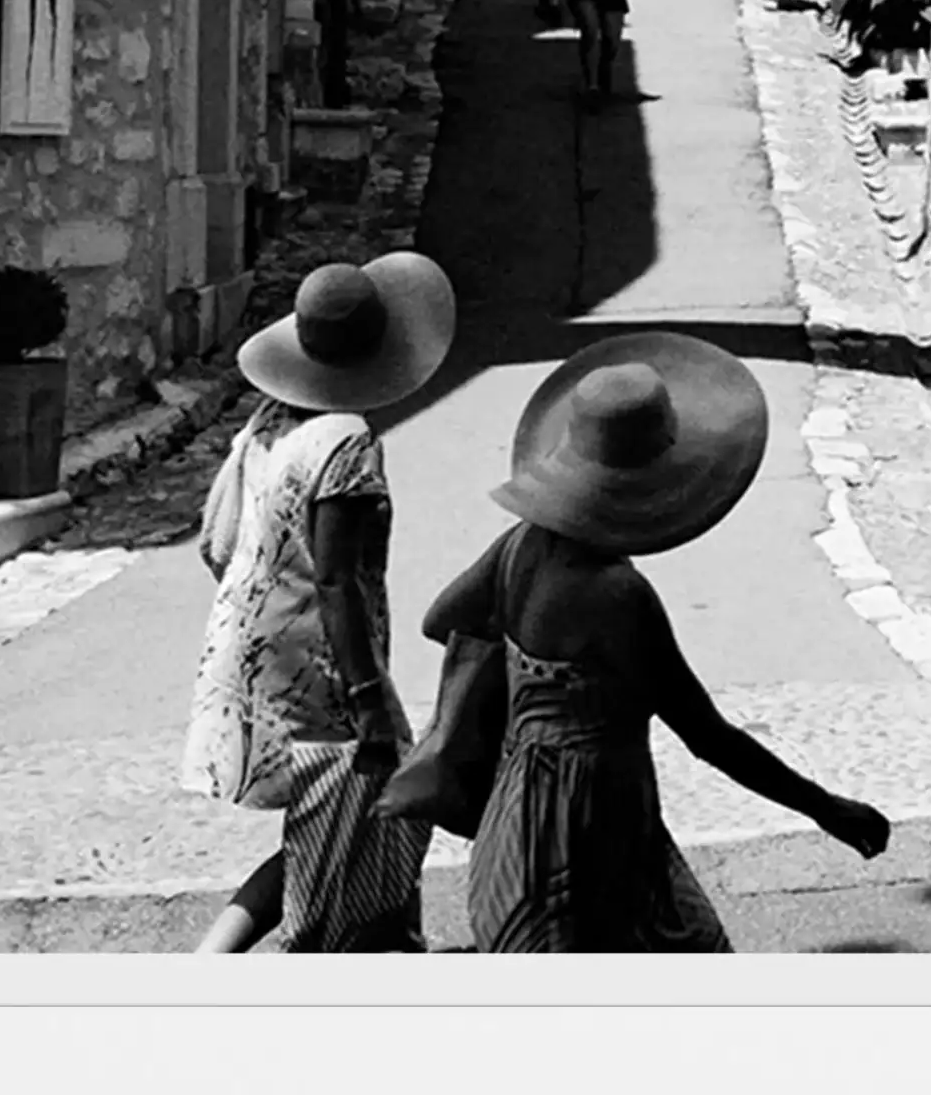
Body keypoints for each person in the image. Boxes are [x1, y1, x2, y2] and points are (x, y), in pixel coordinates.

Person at [422, 332, 892, 952]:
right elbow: (705, 734)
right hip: (597, 836)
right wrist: (824, 806)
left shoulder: (519, 547)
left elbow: (441, 620)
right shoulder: (619, 597)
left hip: (514, 824)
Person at [183, 253, 457, 954]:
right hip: (323, 666)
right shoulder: (347, 440)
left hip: (251, 652)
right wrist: (368, 696)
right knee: (363, 815)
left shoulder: (268, 420)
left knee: (322, 824)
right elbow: (337, 579)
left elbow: (216, 542)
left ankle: (215, 957)